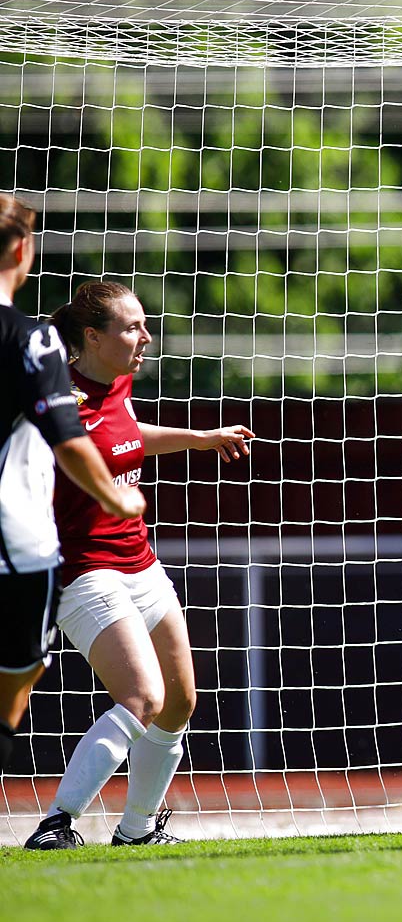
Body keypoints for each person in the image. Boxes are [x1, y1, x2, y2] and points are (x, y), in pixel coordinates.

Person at [23, 280, 254, 848]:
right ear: (93, 338)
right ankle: (57, 825)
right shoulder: (55, 400)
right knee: (141, 698)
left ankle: (137, 831)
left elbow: (127, 437)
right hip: (84, 571)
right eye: (131, 327)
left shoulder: (119, 383)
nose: (145, 335)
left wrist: (200, 438)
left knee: (179, 702)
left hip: (140, 563)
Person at [0, 197, 147, 778]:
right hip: (19, 549)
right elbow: (68, 439)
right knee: (13, 692)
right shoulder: (32, 341)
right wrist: (117, 496)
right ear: (21, 251)